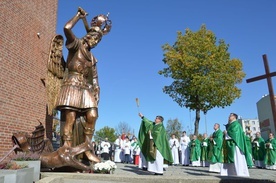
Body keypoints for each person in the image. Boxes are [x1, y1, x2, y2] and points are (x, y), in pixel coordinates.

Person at [55, 7, 111, 163]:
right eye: (94, 38)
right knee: (70, 118)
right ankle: (66, 148)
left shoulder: (93, 59)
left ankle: (86, 148)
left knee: (93, 115)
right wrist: (78, 17)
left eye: (98, 41)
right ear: (88, 36)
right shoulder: (76, 44)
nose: (95, 42)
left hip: (85, 89)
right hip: (72, 84)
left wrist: (97, 90)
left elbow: (94, 78)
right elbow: (66, 28)